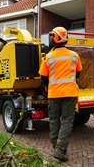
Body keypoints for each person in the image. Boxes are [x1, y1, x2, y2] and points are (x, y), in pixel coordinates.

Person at [39, 27, 82, 161]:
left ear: (55, 38)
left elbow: (43, 77)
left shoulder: (49, 57)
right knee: (67, 121)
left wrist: (47, 87)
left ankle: (56, 148)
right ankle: (60, 149)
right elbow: (78, 73)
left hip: (53, 94)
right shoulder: (74, 56)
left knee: (53, 121)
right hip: (70, 93)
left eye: (52, 36)